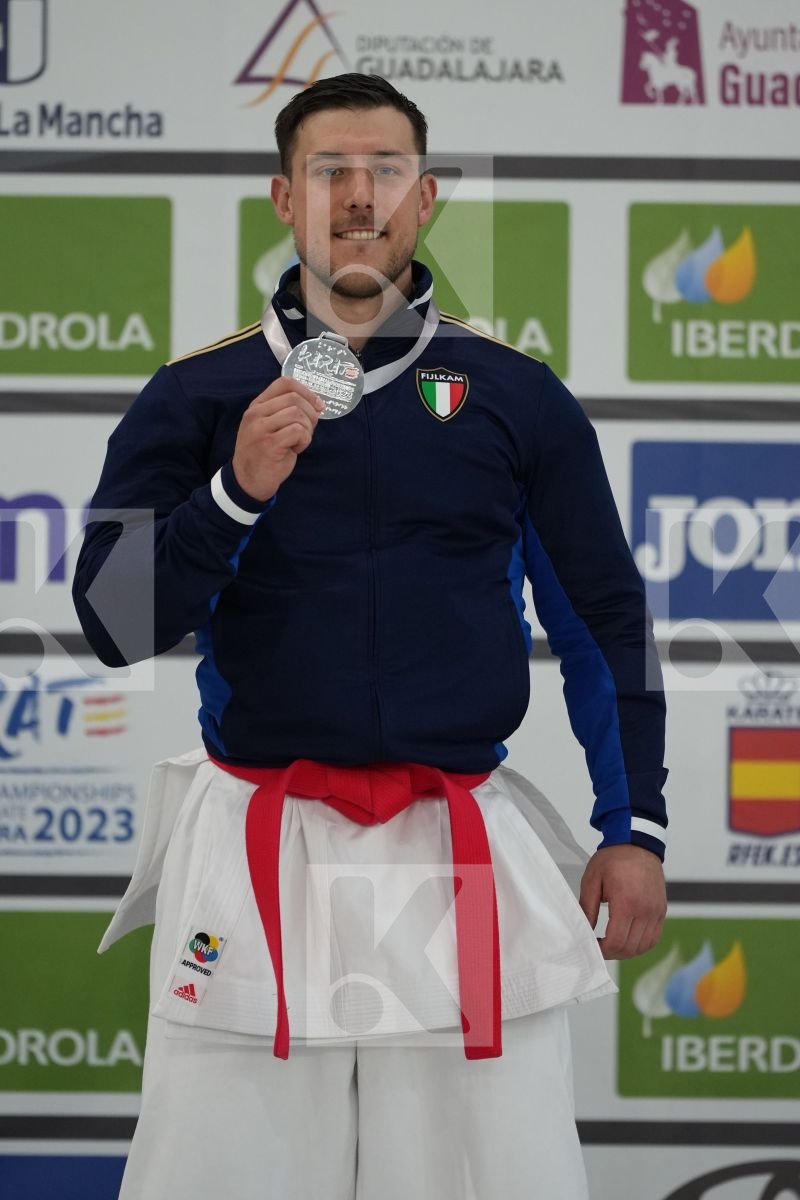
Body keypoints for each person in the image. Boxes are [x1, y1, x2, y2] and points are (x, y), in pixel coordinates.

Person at [73, 73, 668, 1200]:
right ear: (280, 198)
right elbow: (111, 623)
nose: (359, 195)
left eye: (384, 170)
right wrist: (232, 494)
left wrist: (632, 823)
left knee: (477, 1182)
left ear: (427, 196)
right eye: (329, 171)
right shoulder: (196, 395)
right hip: (256, 840)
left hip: (457, 848)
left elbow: (602, 619)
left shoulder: (511, 395)